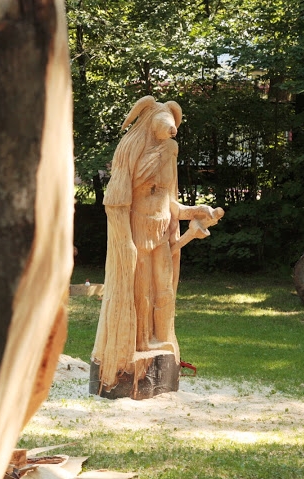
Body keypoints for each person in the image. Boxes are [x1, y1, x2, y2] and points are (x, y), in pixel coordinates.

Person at [92, 96, 221, 390]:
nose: (173, 130)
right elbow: (115, 202)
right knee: (141, 292)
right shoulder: (132, 152)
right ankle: (138, 342)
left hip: (161, 232)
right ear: (151, 122)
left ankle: (160, 339)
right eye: (167, 123)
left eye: (174, 125)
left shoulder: (169, 151)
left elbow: (169, 201)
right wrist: (125, 241)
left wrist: (195, 211)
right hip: (138, 231)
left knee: (164, 289)